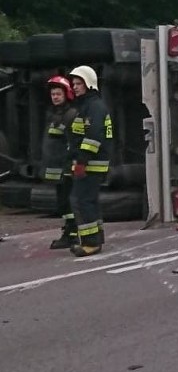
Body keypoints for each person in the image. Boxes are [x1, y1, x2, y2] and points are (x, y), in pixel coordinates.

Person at [67, 65, 113, 257]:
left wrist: (82, 162)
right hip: (90, 162)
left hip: (91, 163)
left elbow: (93, 137)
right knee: (89, 201)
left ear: (89, 83)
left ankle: (90, 243)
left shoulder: (93, 107)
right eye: (74, 83)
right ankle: (96, 238)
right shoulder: (87, 105)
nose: (75, 87)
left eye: (79, 83)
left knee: (80, 201)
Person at [42, 75, 79, 249]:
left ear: (66, 94)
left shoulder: (70, 115)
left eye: (58, 94)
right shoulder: (53, 115)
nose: (55, 97)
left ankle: (72, 235)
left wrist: (69, 167)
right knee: (62, 203)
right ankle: (69, 232)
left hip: (66, 169)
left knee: (68, 202)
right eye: (53, 94)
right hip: (57, 168)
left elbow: (72, 144)